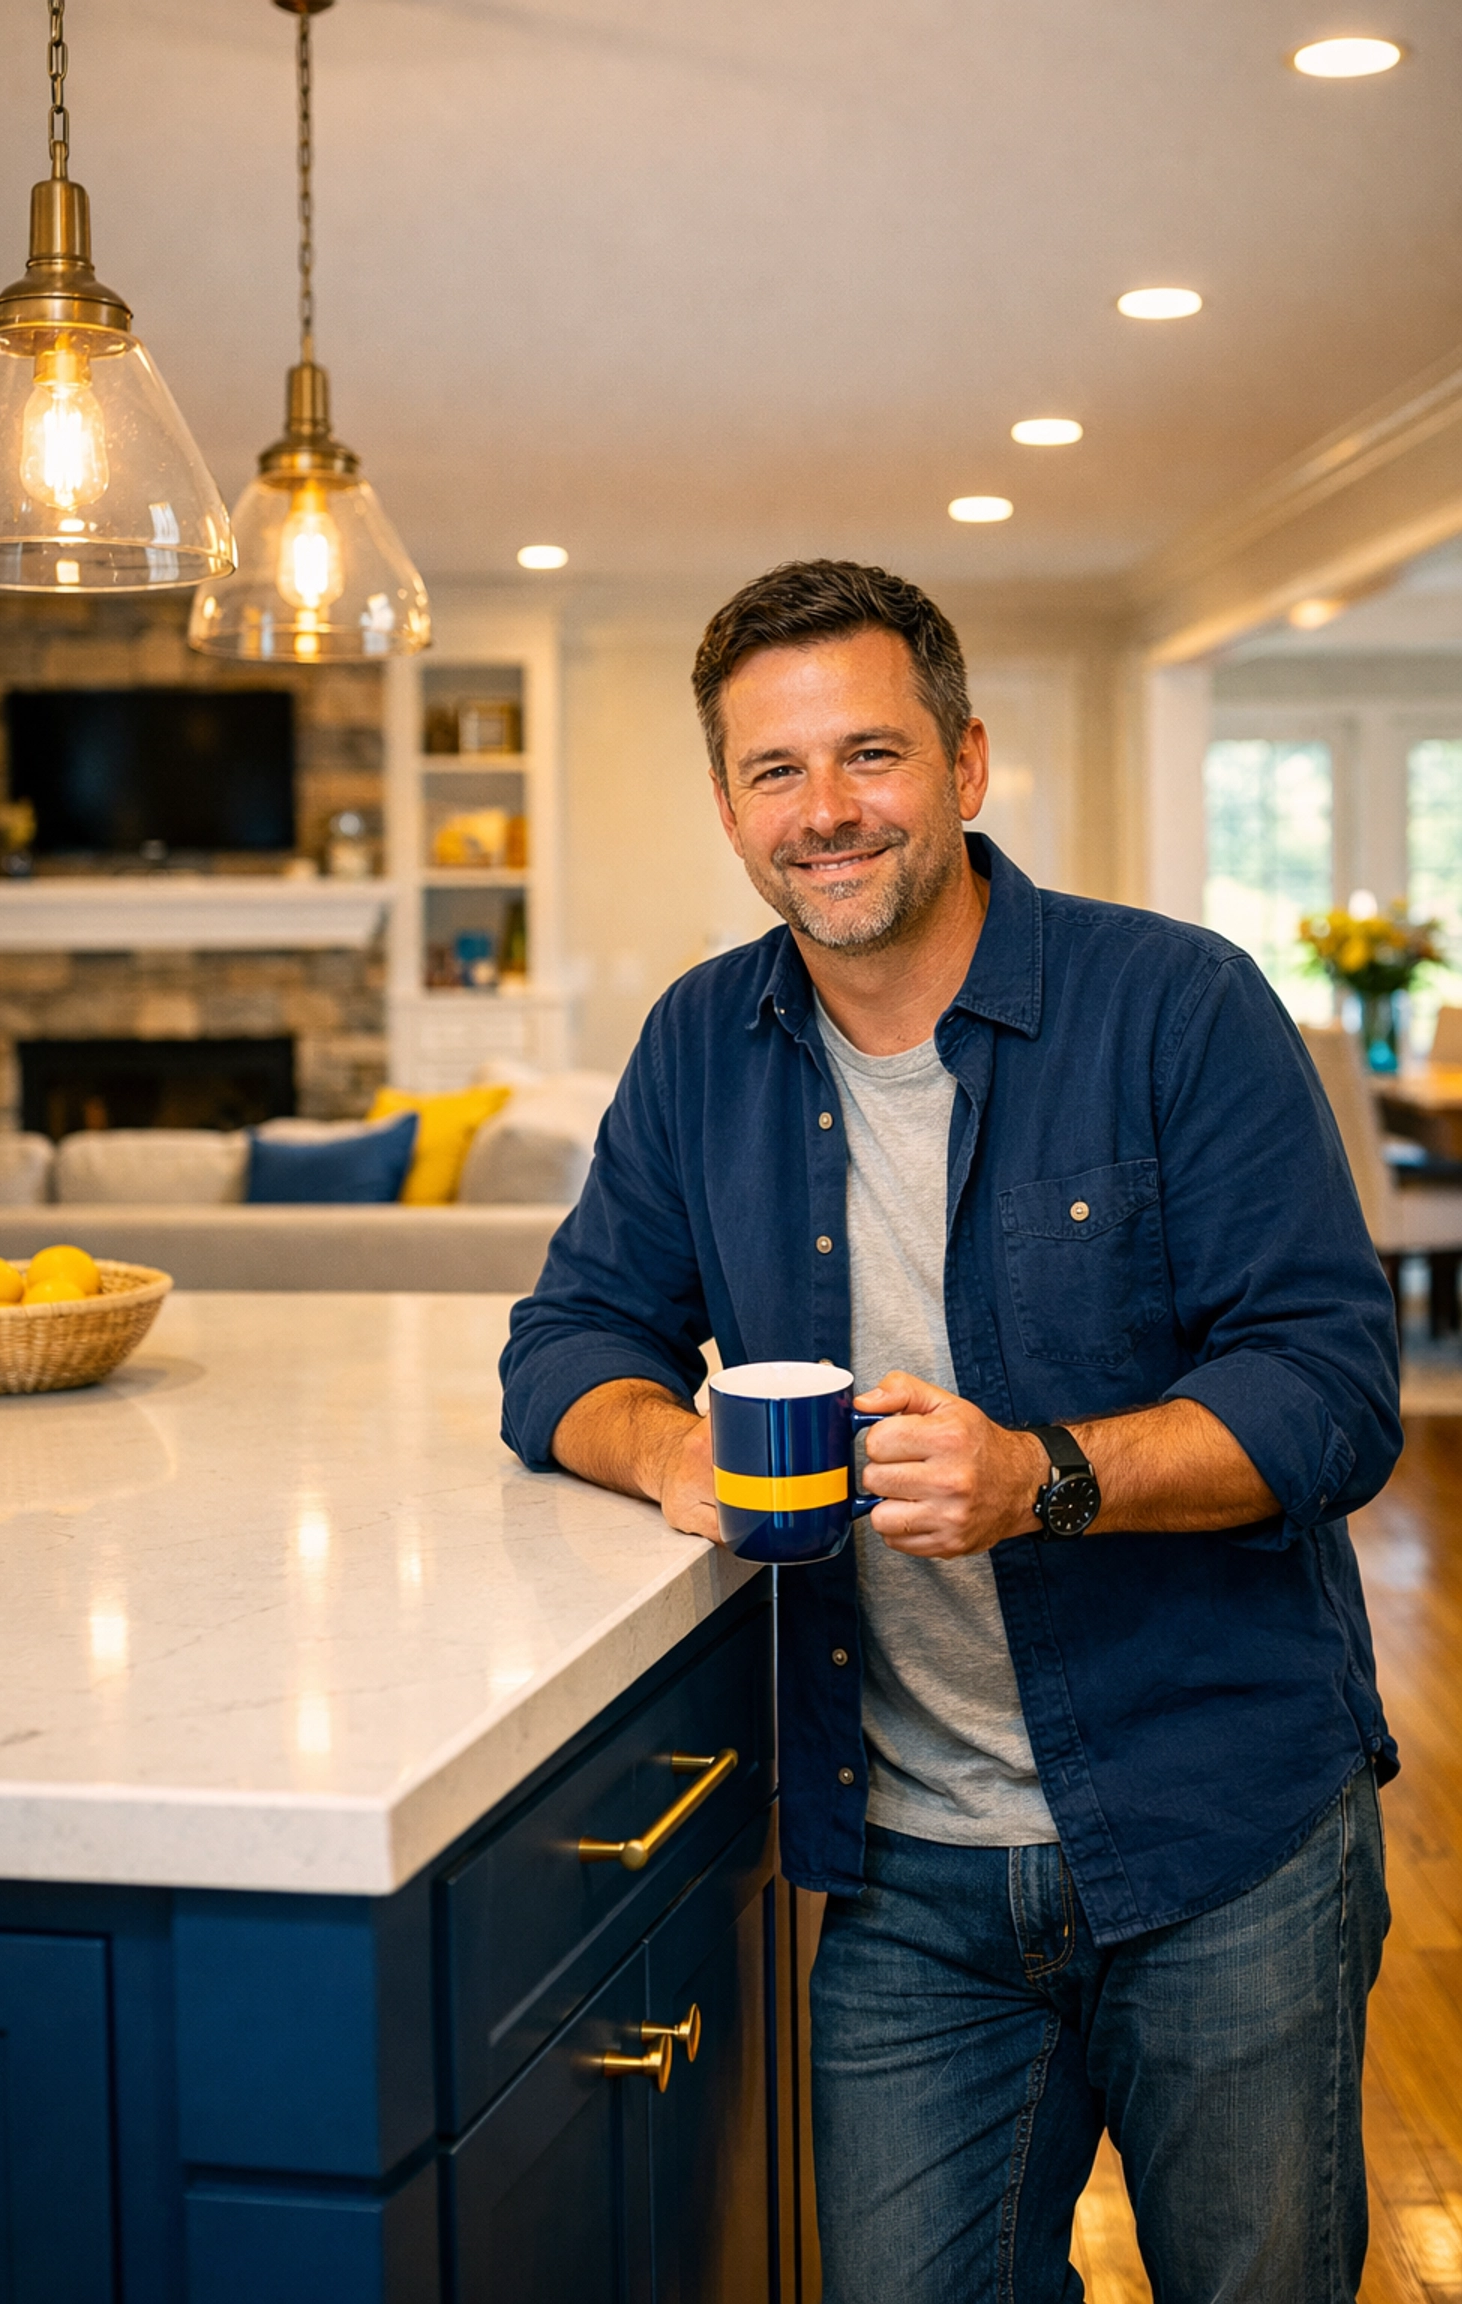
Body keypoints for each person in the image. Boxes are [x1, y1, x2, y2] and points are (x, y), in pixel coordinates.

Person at [501, 559, 1400, 2304]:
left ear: (966, 767)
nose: (825, 812)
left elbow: (1334, 1389)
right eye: (774, 771)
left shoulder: (1183, 1010)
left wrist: (1042, 1478)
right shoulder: (702, 1045)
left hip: (1224, 1834)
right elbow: (571, 1338)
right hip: (904, 1861)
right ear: (728, 804)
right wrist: (671, 1454)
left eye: (871, 755)